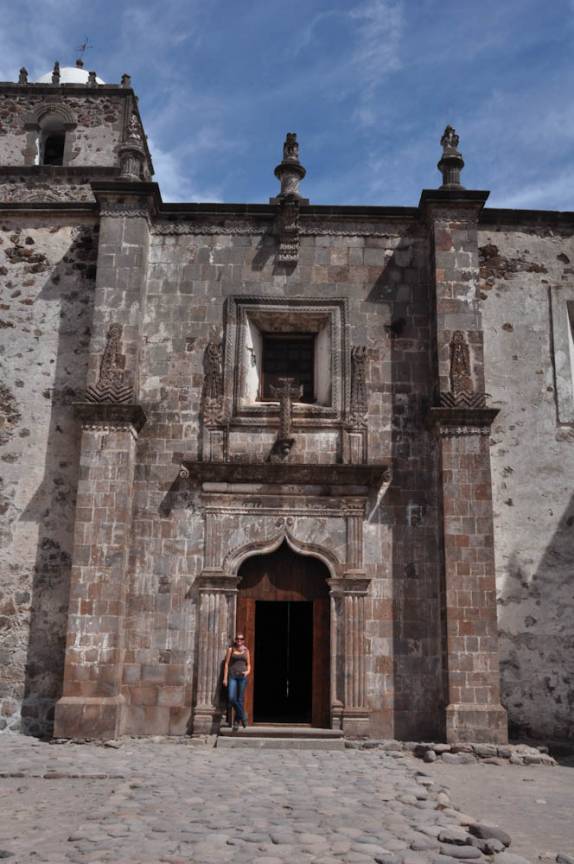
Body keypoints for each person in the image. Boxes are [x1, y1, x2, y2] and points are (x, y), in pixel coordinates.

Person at [223, 633, 251, 731]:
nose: (239, 640)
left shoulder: (246, 650)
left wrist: (247, 672)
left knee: (240, 699)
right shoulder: (231, 649)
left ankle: (236, 722)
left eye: (241, 639)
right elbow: (226, 664)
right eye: (237, 639)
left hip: (242, 677)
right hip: (233, 676)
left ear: (243, 640)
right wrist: (225, 678)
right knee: (231, 698)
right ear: (235, 640)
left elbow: (249, 665)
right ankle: (243, 714)